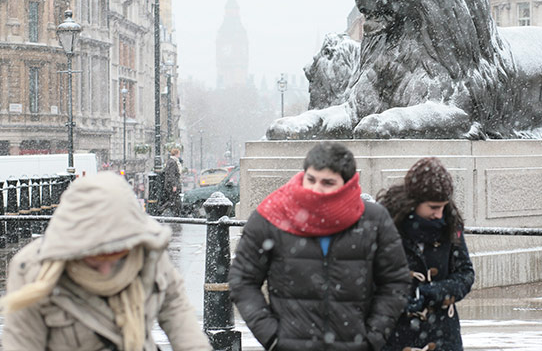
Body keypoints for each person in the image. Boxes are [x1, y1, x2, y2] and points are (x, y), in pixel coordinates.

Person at [229, 141, 410, 350]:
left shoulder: (374, 220)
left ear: (347, 183)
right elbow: (242, 280)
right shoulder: (271, 216)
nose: (316, 189)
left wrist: (373, 337)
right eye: (311, 179)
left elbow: (395, 281)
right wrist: (272, 337)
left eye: (327, 182)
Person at [1, 172, 211, 351]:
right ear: (70, 246)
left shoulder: (148, 253)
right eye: (94, 259)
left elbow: (177, 312)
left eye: (117, 257)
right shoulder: (30, 270)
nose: (105, 270)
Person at [375, 157, 475, 351]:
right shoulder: (384, 225)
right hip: (395, 335)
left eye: (444, 206)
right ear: (413, 202)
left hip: (443, 336)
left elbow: (465, 274)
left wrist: (436, 292)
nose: (439, 214)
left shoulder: (451, 224)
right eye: (433, 207)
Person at [159, 147, 182, 215]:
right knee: (173, 201)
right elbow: (171, 175)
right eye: (179, 154)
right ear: (176, 154)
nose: (179, 155)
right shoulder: (172, 162)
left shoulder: (171, 161)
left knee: (174, 201)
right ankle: (161, 210)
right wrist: (174, 185)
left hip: (171, 185)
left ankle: (176, 214)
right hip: (171, 186)